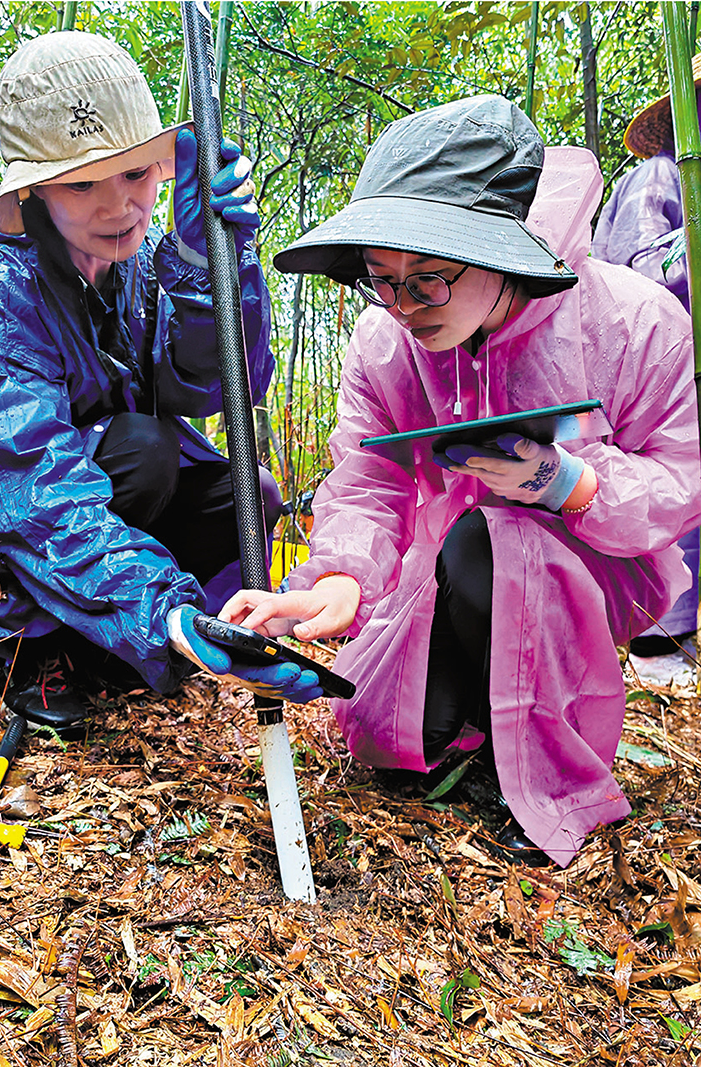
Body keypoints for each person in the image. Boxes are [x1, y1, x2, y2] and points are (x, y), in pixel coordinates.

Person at [220, 95, 701, 867]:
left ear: (503, 252)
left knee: (495, 538)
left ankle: (548, 777)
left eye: (430, 280)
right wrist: (340, 577)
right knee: (399, 743)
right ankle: (476, 723)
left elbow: (680, 479)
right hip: (437, 576)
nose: (405, 307)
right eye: (383, 280)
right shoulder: (384, 342)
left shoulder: (632, 323)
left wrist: (569, 482)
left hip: (591, 573)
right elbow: (370, 475)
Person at [0, 30, 323, 732]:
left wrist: (207, 264)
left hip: (111, 485)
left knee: (250, 492)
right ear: (35, 190)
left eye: (136, 174)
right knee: (143, 449)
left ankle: (122, 640)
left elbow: (218, 388)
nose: (118, 206)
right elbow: (30, 486)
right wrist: (161, 606)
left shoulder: (133, 273)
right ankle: (30, 647)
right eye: (81, 183)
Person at [592, 57, 701, 681]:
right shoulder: (659, 177)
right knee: (670, 492)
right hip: (660, 374)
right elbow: (643, 274)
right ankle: (662, 647)